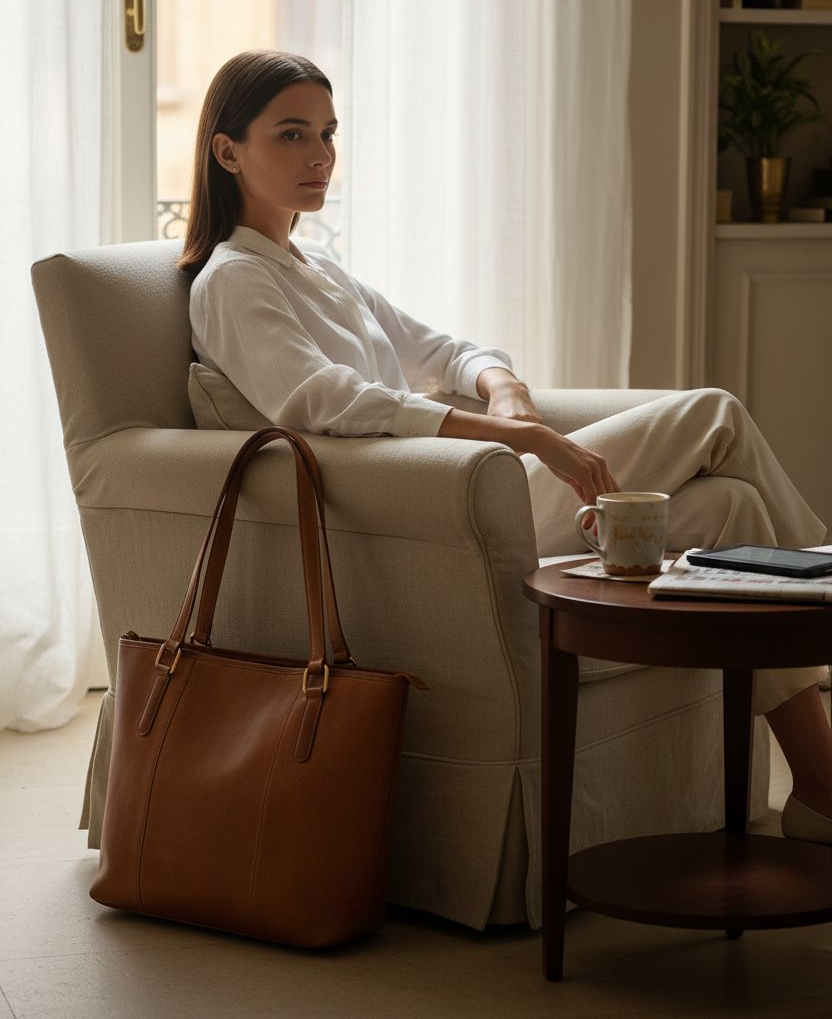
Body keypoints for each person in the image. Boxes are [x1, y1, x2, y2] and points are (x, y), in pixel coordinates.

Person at [179, 49, 832, 846]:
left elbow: (452, 350)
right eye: (291, 135)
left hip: (466, 490)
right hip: (419, 521)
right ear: (227, 151)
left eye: (328, 132)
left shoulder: (321, 271)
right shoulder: (234, 280)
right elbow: (325, 402)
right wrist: (517, 438)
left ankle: (820, 787)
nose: (320, 156)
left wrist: (509, 394)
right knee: (713, 413)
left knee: (732, 505)